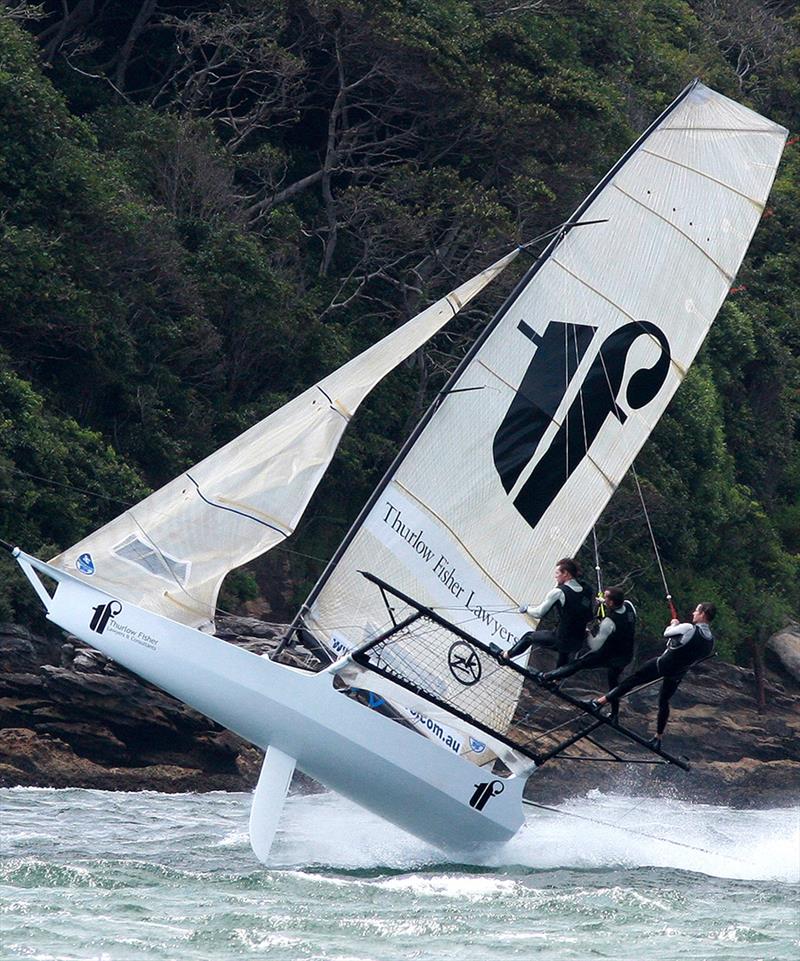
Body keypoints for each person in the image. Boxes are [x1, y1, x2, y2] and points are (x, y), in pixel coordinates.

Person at [589, 602, 716, 748]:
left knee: (632, 680)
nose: (693, 613)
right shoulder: (710, 641)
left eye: (696, 611)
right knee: (664, 701)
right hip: (677, 673)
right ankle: (658, 738)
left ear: (703, 614)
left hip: (662, 664)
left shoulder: (688, 628)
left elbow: (666, 633)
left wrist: (674, 624)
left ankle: (598, 703)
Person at [534, 586, 636, 713]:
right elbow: (618, 611)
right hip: (626, 656)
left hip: (610, 654)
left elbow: (594, 645)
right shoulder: (629, 606)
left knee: (579, 663)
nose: (603, 598)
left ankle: (547, 677)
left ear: (611, 602)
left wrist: (587, 633)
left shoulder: (609, 622)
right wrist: (604, 603)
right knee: (613, 680)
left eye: (605, 597)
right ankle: (614, 714)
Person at [500, 558, 594, 668]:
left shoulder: (559, 592)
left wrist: (526, 609)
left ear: (566, 573)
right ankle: (556, 681)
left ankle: (505, 656)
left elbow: (539, 613)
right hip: (577, 642)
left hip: (561, 639)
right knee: (564, 653)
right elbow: (588, 615)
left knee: (528, 637)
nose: (555, 576)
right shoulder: (587, 590)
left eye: (557, 573)